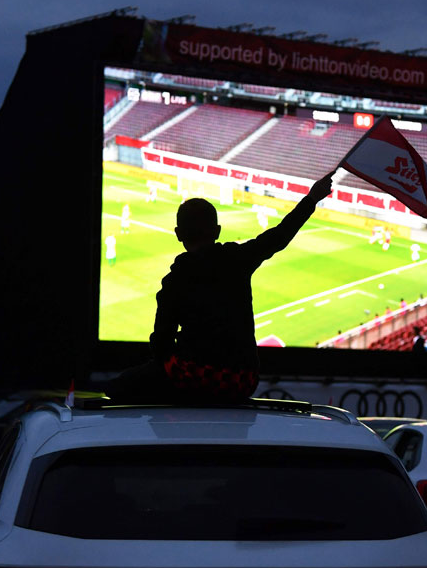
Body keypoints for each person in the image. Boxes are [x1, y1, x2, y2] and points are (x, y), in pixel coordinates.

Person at [109, 172, 334, 404]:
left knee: (118, 387)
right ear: (217, 232)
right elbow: (279, 236)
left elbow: (161, 342)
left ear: (178, 235)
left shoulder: (174, 280)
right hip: (243, 381)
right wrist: (312, 198)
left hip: (193, 377)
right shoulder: (238, 258)